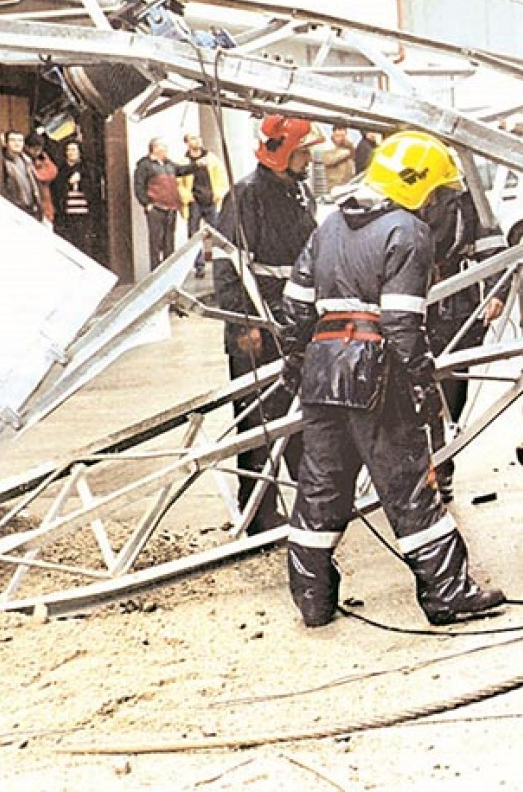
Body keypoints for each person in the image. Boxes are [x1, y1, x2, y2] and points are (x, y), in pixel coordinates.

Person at [280, 130, 506, 628]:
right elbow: (403, 323)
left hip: (322, 371)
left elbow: (295, 308)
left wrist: (296, 365)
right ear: (418, 186)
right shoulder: (408, 231)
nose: (437, 202)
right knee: (409, 489)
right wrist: (425, 389)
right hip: (376, 375)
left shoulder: (329, 225)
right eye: (434, 192)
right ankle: (448, 593)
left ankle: (313, 600)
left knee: (320, 488)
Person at [213, 114, 322, 536]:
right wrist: (245, 323)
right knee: (258, 419)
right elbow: (228, 261)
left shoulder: (296, 191)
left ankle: (308, 500)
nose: (309, 159)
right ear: (283, 154)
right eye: (303, 151)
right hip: (258, 324)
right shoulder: (246, 195)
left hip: (291, 320)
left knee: (296, 415)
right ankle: (258, 512)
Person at [424, 187, 507, 502]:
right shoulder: (394, 202)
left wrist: (496, 292)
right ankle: (430, 467)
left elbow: (495, 250)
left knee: (450, 392)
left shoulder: (465, 203)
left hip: (456, 313)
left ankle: (441, 465)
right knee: (418, 395)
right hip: (414, 311)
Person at [178, 133, 229, 278]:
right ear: (187, 143)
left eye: (199, 138)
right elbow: (179, 183)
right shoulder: (183, 162)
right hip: (194, 202)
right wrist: (187, 197)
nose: (197, 141)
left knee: (215, 233)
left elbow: (221, 177)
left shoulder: (212, 158)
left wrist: (218, 193)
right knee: (194, 234)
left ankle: (214, 262)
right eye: (193, 138)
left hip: (210, 201)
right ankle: (199, 265)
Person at [133, 138, 183, 270]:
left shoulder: (169, 165)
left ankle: (169, 271)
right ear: (155, 148)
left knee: (169, 242)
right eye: (164, 147)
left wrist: (197, 165)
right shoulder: (145, 165)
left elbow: (182, 170)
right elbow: (139, 186)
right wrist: (147, 203)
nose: (166, 150)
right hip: (156, 207)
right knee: (156, 241)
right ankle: (155, 271)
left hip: (171, 207)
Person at [51, 139, 99, 257]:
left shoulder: (87, 168)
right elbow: (57, 189)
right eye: (68, 150)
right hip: (67, 213)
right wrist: (68, 182)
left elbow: (93, 189)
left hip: (84, 212)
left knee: (84, 243)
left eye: (74, 149)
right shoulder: (61, 170)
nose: (71, 152)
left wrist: (81, 179)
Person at [0, 130, 43, 220]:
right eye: (13, 140)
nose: (17, 143)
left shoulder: (27, 161)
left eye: (20, 140)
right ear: (6, 143)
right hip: (14, 209)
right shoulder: (3, 162)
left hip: (31, 209)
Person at [24, 131, 58, 226]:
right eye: (34, 149)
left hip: (44, 206)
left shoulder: (43, 158)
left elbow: (52, 171)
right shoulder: (24, 160)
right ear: (26, 147)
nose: (37, 152)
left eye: (39, 149)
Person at [317, 125, 357, 194]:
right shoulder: (328, 147)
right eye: (338, 136)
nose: (341, 139)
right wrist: (349, 151)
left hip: (347, 187)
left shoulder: (349, 149)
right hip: (333, 189)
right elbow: (329, 160)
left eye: (343, 136)